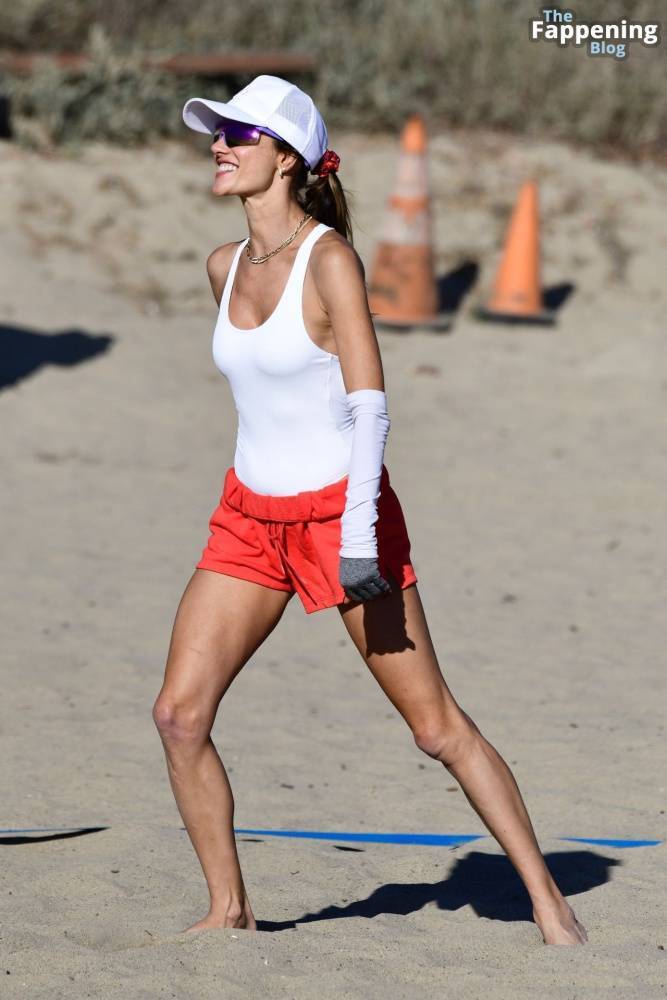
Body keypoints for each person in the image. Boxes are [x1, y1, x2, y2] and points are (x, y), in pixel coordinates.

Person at [152, 75, 588, 946]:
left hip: (341, 521)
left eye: (240, 134)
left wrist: (356, 540)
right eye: (218, 132)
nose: (219, 146)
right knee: (178, 715)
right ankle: (228, 909)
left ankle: (549, 902)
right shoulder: (221, 265)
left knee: (434, 729)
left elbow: (369, 406)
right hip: (247, 518)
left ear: (287, 158)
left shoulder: (332, 260)